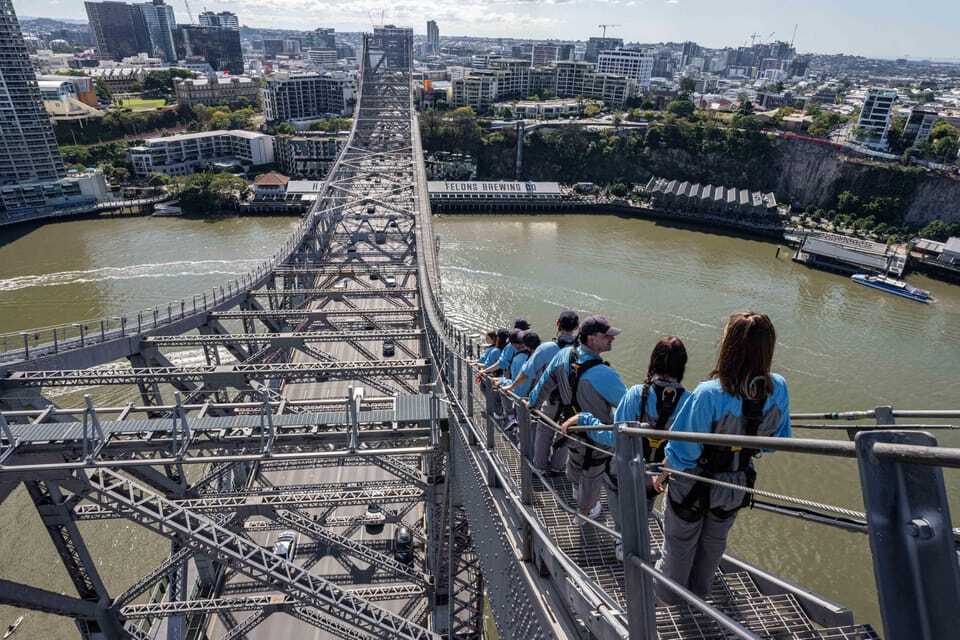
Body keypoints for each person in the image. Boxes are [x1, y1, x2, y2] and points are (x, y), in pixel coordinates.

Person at [654, 312, 791, 604]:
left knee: (679, 546)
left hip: (692, 485)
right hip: (735, 485)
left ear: (729, 346)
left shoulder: (709, 394)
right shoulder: (778, 389)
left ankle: (669, 600)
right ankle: (700, 596)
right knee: (713, 545)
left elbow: (682, 452)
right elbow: (774, 443)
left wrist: (663, 474)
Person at [565, 336, 689, 560]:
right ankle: (636, 537)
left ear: (654, 362)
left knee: (616, 496)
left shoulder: (637, 394)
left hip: (623, 471)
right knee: (645, 502)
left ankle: (624, 541)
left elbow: (614, 437)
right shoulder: (689, 401)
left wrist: (583, 419)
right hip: (657, 474)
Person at [528, 316, 627, 518]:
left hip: (571, 430)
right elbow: (631, 409)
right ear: (591, 339)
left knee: (574, 462)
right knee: (593, 471)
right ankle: (586, 512)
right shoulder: (605, 374)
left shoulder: (563, 355)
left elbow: (544, 384)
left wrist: (532, 406)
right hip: (597, 439)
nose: (612, 339)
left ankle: (576, 491)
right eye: (607, 336)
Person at [503, 310, 580, 472]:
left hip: (550, 398)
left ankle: (540, 467)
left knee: (544, 432)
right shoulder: (580, 349)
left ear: (557, 324)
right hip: (574, 401)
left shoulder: (546, 348)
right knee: (566, 432)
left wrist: (511, 386)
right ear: (577, 327)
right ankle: (558, 466)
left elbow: (526, 372)